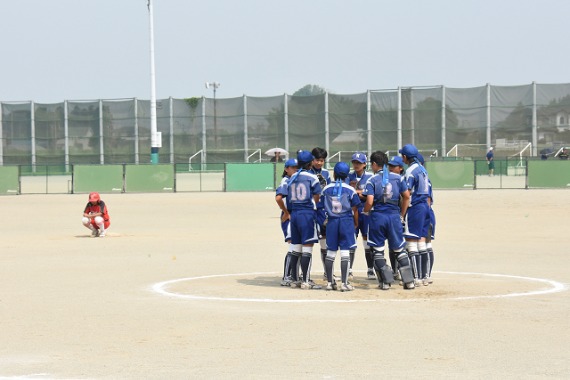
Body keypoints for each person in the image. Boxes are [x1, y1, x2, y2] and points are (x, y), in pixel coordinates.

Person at [363, 151, 415, 290]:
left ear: (374, 164)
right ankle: (409, 281)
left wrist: (366, 210)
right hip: (394, 217)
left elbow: (369, 200)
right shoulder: (398, 178)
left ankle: (385, 282)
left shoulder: (372, 180)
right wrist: (401, 214)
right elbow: (406, 196)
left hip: (378, 217)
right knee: (399, 249)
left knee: (378, 250)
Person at [321, 162, 360, 291]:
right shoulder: (350, 189)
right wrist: (355, 223)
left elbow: (320, 205)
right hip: (346, 221)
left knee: (331, 252)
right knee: (345, 251)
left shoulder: (326, 189)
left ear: (334, 173)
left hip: (332, 221)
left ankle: (329, 282)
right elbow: (355, 208)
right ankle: (344, 283)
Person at [287, 150, 323, 289]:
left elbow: (288, 198)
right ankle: (306, 280)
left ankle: (295, 279)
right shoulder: (312, 177)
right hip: (307, 213)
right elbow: (317, 195)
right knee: (307, 247)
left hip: (295, 213)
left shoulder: (292, 177)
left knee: (295, 247)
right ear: (310, 164)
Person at [399, 144, 432, 286]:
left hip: (416, 207)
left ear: (405, 157)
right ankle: (425, 276)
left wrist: (402, 213)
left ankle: (416, 278)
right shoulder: (422, 168)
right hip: (425, 206)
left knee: (411, 242)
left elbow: (406, 193)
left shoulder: (410, 171)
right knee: (421, 242)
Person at [347, 152, 374, 279]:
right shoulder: (349, 176)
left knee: (367, 240)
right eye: (354, 162)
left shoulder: (370, 176)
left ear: (364, 164)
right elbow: (347, 192)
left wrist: (358, 192)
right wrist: (361, 193)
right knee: (351, 239)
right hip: (353, 210)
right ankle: (349, 269)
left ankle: (370, 269)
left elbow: (370, 194)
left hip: (366, 211)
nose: (356, 165)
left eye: (359, 163)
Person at [275, 158, 298, 286]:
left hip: (296, 215)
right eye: (292, 167)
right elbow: (278, 198)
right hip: (289, 216)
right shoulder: (286, 181)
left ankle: (294, 274)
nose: (295, 169)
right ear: (286, 169)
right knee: (292, 246)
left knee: (297, 246)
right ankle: (286, 276)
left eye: (297, 167)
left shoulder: (296, 180)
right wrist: (286, 212)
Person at [309, 147, 331, 279]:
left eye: (322, 160)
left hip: (322, 210)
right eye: (317, 160)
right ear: (312, 159)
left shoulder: (326, 173)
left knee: (325, 241)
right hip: (310, 209)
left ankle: (326, 271)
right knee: (307, 241)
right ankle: (304, 273)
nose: (319, 163)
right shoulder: (307, 173)